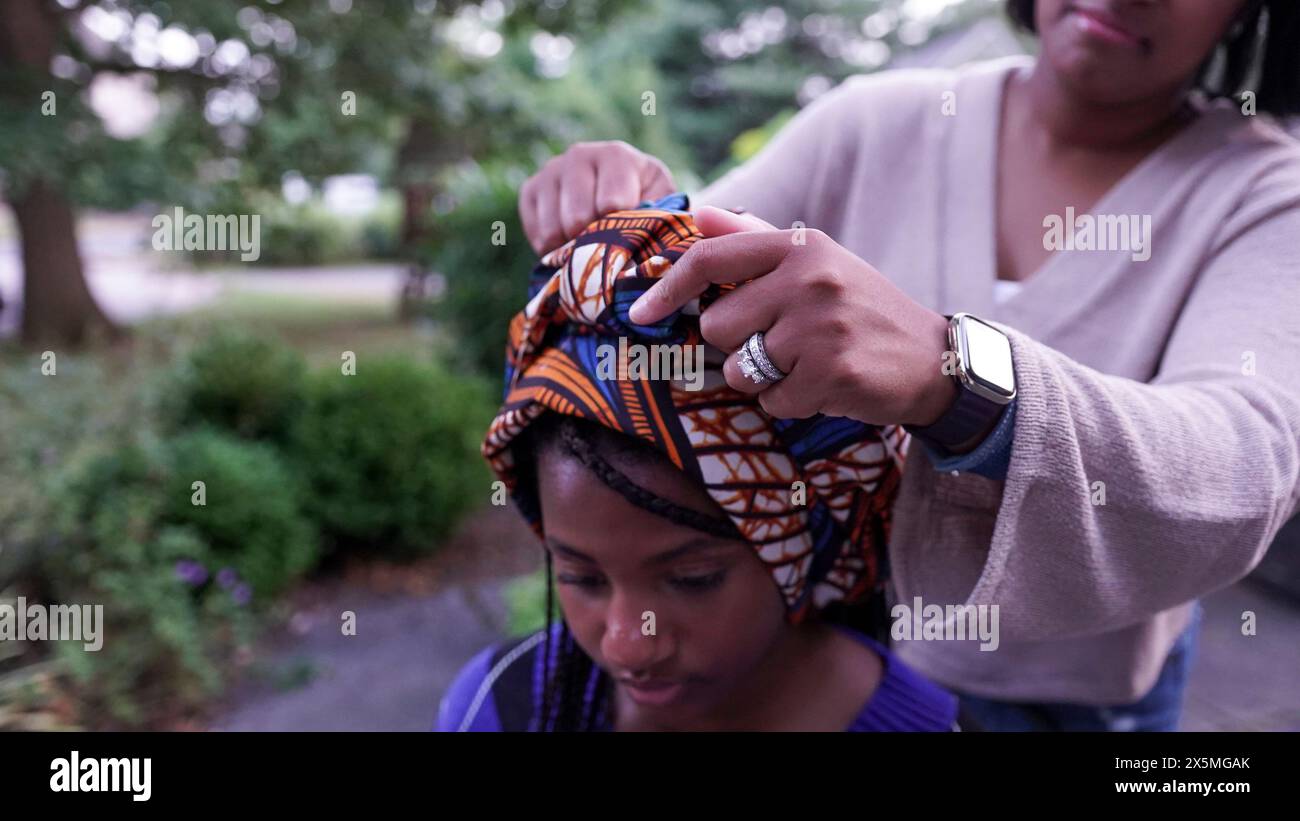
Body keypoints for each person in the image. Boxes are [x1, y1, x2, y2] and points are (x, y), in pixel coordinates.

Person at [514, 0, 1300, 730]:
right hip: (837, 664)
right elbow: (668, 325)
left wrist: (949, 372)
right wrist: (635, 220)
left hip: (1078, 703)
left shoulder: (1267, 192)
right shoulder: (871, 122)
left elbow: (1246, 462)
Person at [437, 197, 974, 731]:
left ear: (807, 547)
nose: (628, 644)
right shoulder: (497, 704)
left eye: (693, 579)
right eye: (580, 577)